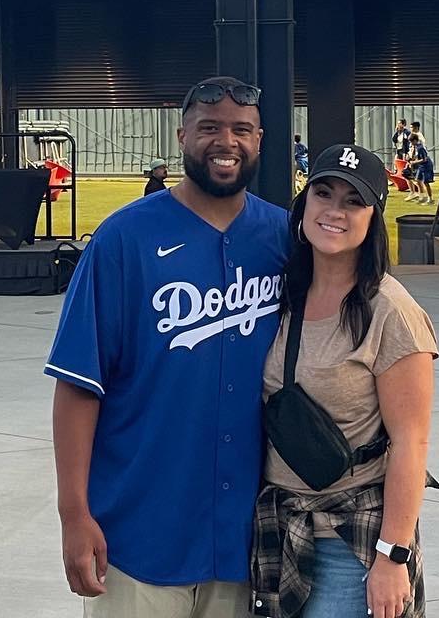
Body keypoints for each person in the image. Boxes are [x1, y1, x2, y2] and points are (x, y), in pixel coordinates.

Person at [45, 77, 290, 615]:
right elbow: (79, 384)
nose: (226, 141)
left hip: (249, 541)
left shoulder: (286, 239)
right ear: (181, 137)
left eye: (241, 129)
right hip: (138, 533)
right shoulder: (123, 239)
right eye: (209, 128)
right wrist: (73, 514)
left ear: (260, 140)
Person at [254, 143, 436, 618]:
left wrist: (392, 556)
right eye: (324, 193)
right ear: (304, 202)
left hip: (350, 539)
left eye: (353, 201)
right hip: (277, 527)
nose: (335, 211)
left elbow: (411, 443)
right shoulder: (281, 293)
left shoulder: (391, 312)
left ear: (374, 217)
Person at [408, 124, 434, 207]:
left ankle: (430, 199)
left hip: (426, 165)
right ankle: (422, 196)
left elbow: (424, 159)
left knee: (426, 182)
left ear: (415, 140)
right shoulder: (415, 147)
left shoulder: (420, 148)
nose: (411, 143)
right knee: (418, 180)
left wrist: (414, 163)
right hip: (421, 165)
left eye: (412, 142)